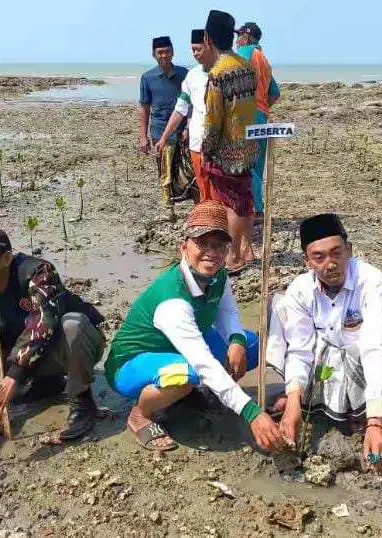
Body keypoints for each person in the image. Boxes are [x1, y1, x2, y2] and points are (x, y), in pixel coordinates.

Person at [104, 201, 284, 453]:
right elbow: (202, 361)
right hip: (132, 363)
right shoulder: (173, 302)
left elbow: (228, 312)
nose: (211, 252)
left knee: (252, 347)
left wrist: (237, 341)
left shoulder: (218, 276)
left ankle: (195, 393)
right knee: (188, 374)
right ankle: (140, 413)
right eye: (202, 243)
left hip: (184, 346)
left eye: (219, 245)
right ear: (184, 247)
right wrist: (251, 411)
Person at [0, 225, 105, 475]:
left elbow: (43, 323)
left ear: (6, 258)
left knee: (72, 326)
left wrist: (13, 379)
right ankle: (42, 386)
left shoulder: (37, 273)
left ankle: (82, 398)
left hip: (65, 347)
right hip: (23, 365)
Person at [267, 214, 382, 475]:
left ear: (349, 250)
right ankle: (300, 401)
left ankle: (361, 411)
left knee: (368, 352)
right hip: (321, 359)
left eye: (336, 253)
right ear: (307, 261)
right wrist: (294, 399)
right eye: (319, 257)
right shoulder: (301, 289)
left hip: (356, 360)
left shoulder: (371, 282)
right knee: (278, 308)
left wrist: (377, 421)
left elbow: (376, 347)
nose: (330, 264)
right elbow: (300, 349)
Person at [201, 10, 259, 273]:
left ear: (208, 39)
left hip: (227, 149)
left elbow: (213, 120)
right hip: (247, 144)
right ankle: (248, 250)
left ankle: (233, 256)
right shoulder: (246, 66)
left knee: (231, 204)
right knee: (245, 200)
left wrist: (207, 150)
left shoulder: (218, 74)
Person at [155, 29, 217, 203]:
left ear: (210, 46)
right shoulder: (192, 76)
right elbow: (180, 109)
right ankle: (208, 223)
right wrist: (164, 137)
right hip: (197, 144)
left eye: (199, 49)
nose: (196, 53)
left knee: (220, 189)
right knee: (202, 186)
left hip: (220, 146)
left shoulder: (224, 72)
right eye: (193, 50)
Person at [139, 36, 189, 222]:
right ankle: (169, 210)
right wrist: (142, 136)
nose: (164, 55)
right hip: (160, 132)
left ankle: (197, 207)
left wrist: (189, 127)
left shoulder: (185, 74)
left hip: (184, 131)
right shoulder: (147, 78)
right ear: (154, 55)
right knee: (165, 171)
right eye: (160, 52)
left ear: (173, 52)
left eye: (167, 51)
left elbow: (192, 104)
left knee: (189, 170)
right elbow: (144, 107)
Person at [235, 22, 281, 221]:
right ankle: (259, 207)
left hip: (246, 112)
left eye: (239, 37)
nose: (236, 41)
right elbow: (275, 93)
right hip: (261, 113)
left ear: (245, 37)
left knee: (246, 163)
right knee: (257, 164)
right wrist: (261, 106)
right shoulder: (264, 59)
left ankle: (254, 210)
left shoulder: (245, 53)